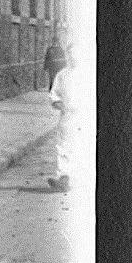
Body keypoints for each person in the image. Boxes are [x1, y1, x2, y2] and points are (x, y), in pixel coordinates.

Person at [48, 44, 83, 191]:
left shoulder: (90, 72)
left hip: (85, 115)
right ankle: (64, 179)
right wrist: (58, 103)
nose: (73, 58)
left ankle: (81, 180)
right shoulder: (62, 75)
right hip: (68, 115)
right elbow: (54, 93)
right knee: (63, 147)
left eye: (76, 54)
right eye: (70, 55)